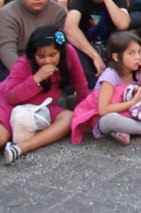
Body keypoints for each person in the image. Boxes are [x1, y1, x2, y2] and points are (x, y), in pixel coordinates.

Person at [69, 31, 141, 145]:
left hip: (132, 114)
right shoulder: (110, 75)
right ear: (116, 57)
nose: (138, 57)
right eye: (131, 53)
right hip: (109, 116)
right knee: (109, 120)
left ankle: (127, 130)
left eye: (140, 52)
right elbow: (103, 110)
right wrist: (132, 102)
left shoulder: (137, 71)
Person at [0, 26, 89, 164]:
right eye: (41, 56)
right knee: (1, 138)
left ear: (60, 52)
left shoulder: (69, 52)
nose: (47, 61)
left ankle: (20, 148)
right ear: (33, 54)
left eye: (53, 55)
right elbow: (10, 96)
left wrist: (86, 114)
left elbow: (81, 85)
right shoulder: (23, 63)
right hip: (10, 105)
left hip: (41, 105)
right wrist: (36, 78)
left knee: (69, 118)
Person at [63, 0, 131, 86]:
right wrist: (95, 56)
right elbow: (69, 28)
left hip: (112, 44)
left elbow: (123, 24)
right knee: (70, 44)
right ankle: (87, 86)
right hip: (89, 46)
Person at [0, 0, 67, 79]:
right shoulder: (7, 14)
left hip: (50, 59)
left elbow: (62, 44)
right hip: (19, 62)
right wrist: (30, 77)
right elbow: (7, 50)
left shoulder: (58, 11)